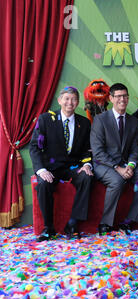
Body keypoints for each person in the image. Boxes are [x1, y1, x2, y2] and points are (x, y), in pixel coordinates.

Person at [29, 86, 94, 241]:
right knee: (44, 184)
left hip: (73, 166)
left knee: (87, 177)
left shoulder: (84, 123)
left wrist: (86, 165)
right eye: (66, 98)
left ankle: (72, 223)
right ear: (59, 100)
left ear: (77, 102)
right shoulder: (45, 119)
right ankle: (48, 228)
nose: (69, 102)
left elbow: (87, 150)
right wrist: (41, 170)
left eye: (73, 99)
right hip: (50, 167)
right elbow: (34, 147)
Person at [90, 83, 138, 235]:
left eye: (125, 96)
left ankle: (129, 221)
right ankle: (105, 223)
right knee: (117, 181)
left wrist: (131, 166)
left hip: (126, 164)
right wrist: (117, 168)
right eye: (118, 96)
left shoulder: (133, 121)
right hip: (104, 164)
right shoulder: (100, 120)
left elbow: (135, 149)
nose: (122, 99)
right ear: (111, 98)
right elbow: (98, 152)